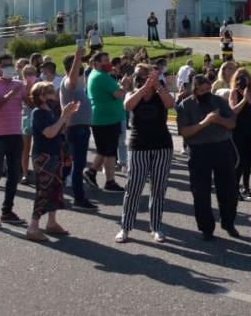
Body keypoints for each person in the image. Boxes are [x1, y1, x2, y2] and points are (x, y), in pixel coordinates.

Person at [114, 64, 175, 243]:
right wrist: (144, 88)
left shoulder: (159, 94)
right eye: (140, 78)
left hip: (162, 145)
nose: (144, 80)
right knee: (133, 187)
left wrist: (157, 86)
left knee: (158, 188)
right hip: (139, 145)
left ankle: (156, 226)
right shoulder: (133, 94)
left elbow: (170, 104)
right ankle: (125, 227)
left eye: (147, 77)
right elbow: (127, 105)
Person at [177, 74, 240, 241]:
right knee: (200, 191)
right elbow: (185, 132)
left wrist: (218, 119)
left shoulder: (218, 101)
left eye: (207, 89)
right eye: (201, 90)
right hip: (199, 151)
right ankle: (206, 228)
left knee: (228, 189)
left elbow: (232, 123)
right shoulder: (185, 105)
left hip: (222, 147)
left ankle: (228, 223)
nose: (205, 92)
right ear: (194, 90)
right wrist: (205, 122)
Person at [24, 81, 77, 242]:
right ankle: (33, 227)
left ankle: (51, 222)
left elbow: (60, 129)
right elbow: (49, 133)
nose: (54, 95)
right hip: (43, 156)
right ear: (41, 96)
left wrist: (67, 115)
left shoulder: (50, 111)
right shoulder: (38, 112)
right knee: (44, 190)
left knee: (56, 188)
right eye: (50, 92)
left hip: (55, 154)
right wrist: (63, 116)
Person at [0, 53, 28, 229]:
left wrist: (32, 88)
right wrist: (9, 95)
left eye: (11, 65)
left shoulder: (18, 84)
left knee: (14, 175)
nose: (9, 67)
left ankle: (7, 210)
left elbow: (30, 102)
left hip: (15, 133)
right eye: (5, 65)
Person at [59, 48, 96, 209]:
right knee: (77, 165)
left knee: (69, 164)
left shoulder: (76, 83)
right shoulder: (69, 81)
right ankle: (79, 199)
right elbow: (73, 79)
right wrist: (78, 57)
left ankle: (57, 193)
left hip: (79, 128)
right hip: (77, 129)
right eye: (79, 63)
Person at [84, 52, 126, 193]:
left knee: (103, 150)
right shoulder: (102, 77)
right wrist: (124, 85)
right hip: (107, 119)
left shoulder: (96, 75)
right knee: (110, 152)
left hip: (101, 118)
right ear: (96, 63)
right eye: (105, 61)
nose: (108, 63)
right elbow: (119, 94)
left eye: (108, 60)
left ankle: (91, 172)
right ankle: (110, 182)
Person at [229, 68, 251, 200]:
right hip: (238, 130)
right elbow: (233, 111)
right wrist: (244, 100)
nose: (242, 79)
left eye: (244, 77)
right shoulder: (234, 92)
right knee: (240, 160)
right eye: (239, 77)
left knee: (248, 160)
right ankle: (234, 188)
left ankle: (246, 188)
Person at [18, 64, 38, 183]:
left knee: (37, 149)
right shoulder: (21, 87)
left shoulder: (39, 86)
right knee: (25, 149)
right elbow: (29, 103)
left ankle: (38, 172)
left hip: (38, 118)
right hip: (25, 118)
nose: (31, 76)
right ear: (24, 75)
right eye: (28, 74)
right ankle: (25, 173)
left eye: (33, 73)